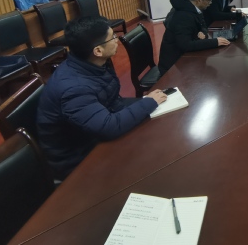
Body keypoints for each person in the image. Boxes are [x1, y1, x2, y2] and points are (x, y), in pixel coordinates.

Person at [36, 16, 167, 180]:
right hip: (77, 160)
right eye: (112, 37)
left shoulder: (94, 64)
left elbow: (113, 103)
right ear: (97, 51)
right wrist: (148, 103)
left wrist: (146, 103)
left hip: (91, 136)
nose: (117, 40)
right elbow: (108, 127)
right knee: (152, 162)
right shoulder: (74, 89)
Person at [158, 0, 230, 75]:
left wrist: (202, 33)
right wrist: (215, 42)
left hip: (184, 59)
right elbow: (185, 45)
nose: (210, 3)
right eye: (209, 0)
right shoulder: (183, 16)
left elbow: (203, 26)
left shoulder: (192, 7)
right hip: (173, 67)